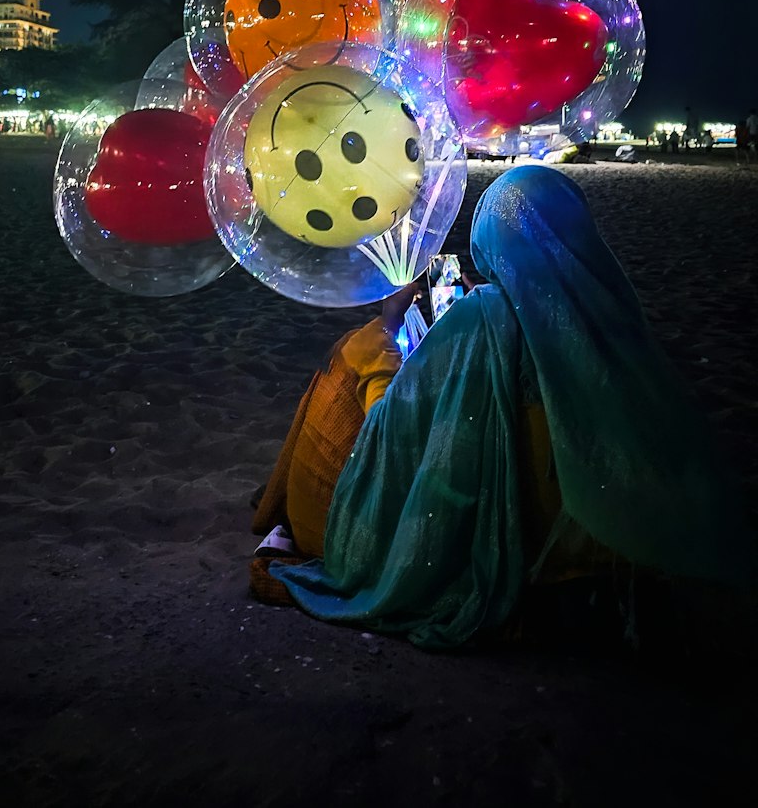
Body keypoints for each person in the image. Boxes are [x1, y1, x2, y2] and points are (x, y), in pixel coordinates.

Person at [251, 166, 751, 650]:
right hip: (607, 554)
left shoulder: (484, 319)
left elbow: (392, 433)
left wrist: (382, 334)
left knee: (348, 362)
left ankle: (287, 511)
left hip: (517, 552)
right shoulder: (608, 315)